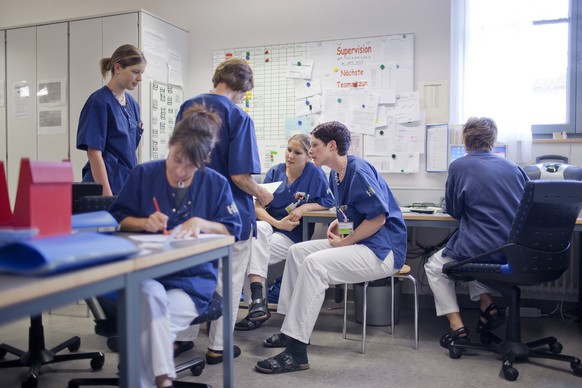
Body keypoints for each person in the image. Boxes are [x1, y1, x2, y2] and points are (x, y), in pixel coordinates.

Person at [255, 121, 407, 374]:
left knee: (315, 265)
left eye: (314, 145)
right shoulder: (336, 174)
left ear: (332, 146)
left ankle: (296, 352)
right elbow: (353, 209)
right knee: (298, 251)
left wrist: (345, 241)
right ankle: (289, 331)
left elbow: (378, 218)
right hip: (363, 243)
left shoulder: (358, 171)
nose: (311, 150)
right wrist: (339, 222)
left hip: (383, 250)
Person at [108, 104, 242, 388]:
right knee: (152, 299)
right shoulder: (144, 174)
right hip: (146, 274)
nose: (180, 171)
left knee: (151, 328)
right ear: (170, 145)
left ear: (204, 160)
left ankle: (158, 379)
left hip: (192, 280)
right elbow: (119, 218)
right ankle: (163, 380)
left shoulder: (215, 184)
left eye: (190, 165)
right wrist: (143, 223)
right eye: (176, 159)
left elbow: (232, 228)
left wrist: (201, 222)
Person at [175, 57, 273, 365]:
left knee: (192, 275)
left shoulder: (188, 107)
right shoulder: (238, 116)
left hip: (191, 209)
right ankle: (218, 347)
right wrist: (261, 192)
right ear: (244, 88)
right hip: (228, 214)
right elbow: (239, 176)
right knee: (227, 281)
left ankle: (182, 339)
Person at [424, 116, 528, 349]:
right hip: (513, 250)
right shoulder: (514, 168)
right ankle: (487, 304)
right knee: (473, 259)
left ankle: (457, 326)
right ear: (493, 140)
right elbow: (527, 208)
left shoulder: (459, 166)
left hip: (480, 249)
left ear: (465, 140)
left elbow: (453, 211)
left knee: (435, 266)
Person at [236, 133, 334, 331]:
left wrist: (304, 208)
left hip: (291, 236)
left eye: (297, 152)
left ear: (308, 156)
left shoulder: (315, 174)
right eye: (289, 150)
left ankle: (257, 305)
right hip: (271, 228)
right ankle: (257, 304)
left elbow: (327, 201)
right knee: (260, 231)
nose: (290, 156)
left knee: (251, 253)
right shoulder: (275, 172)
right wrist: (277, 223)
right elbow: (257, 207)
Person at [76, 44, 147, 196]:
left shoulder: (133, 105)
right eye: (135, 72)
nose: (139, 78)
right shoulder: (99, 102)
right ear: (118, 68)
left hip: (125, 184)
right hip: (103, 185)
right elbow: (94, 153)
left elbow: (128, 152)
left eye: (141, 73)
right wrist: (106, 195)